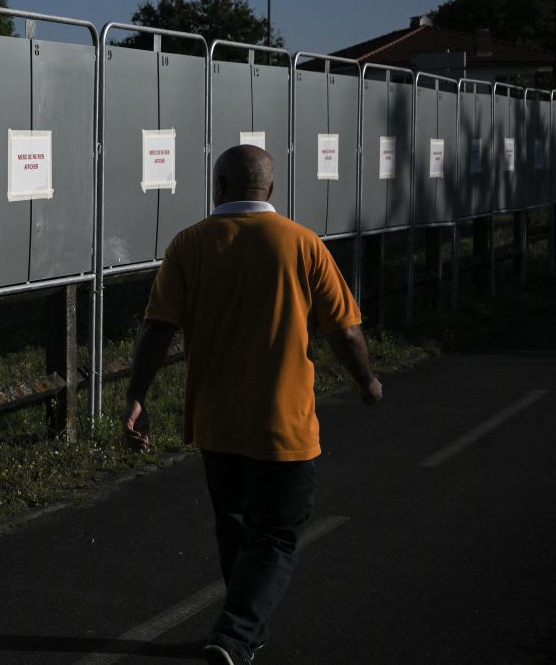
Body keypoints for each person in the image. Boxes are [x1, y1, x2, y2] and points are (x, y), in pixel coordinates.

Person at [122, 145, 381, 665]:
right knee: (277, 537)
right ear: (271, 190)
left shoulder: (189, 244)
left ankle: (242, 632)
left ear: (217, 187)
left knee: (235, 526)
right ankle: (235, 638)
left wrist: (136, 396)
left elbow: (158, 329)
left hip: (217, 422)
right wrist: (367, 382)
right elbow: (346, 332)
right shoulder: (303, 244)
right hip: (284, 424)